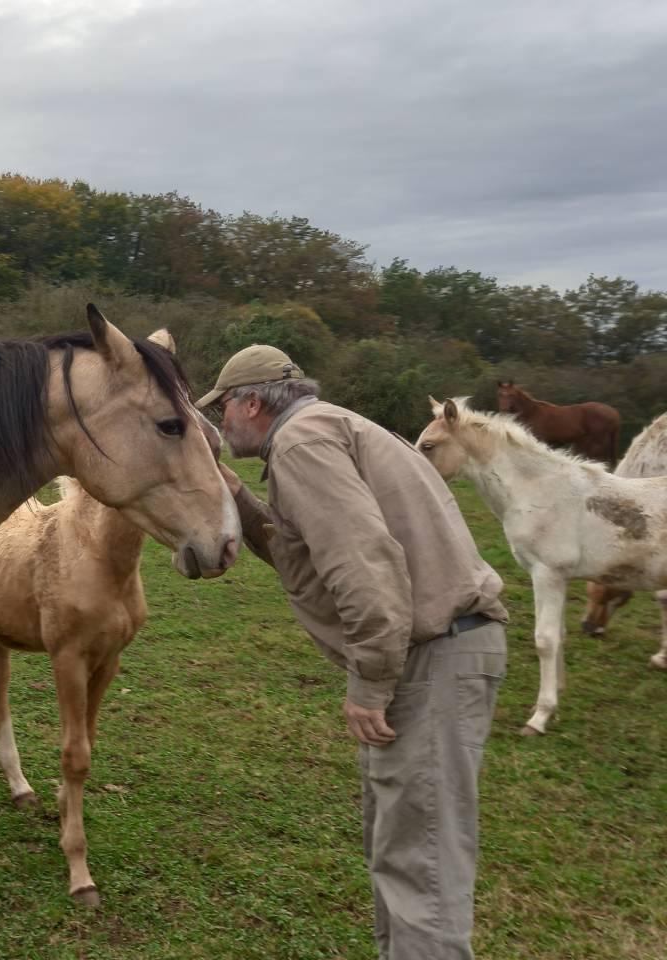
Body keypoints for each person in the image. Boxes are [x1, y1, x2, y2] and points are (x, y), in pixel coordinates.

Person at [198, 345, 508, 960]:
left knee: (420, 868)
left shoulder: (302, 444)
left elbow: (364, 564)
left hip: (430, 655)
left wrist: (369, 682)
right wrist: (237, 495)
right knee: (402, 851)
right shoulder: (330, 427)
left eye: (222, 408)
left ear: (251, 402)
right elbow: (307, 553)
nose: (220, 422)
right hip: (441, 648)